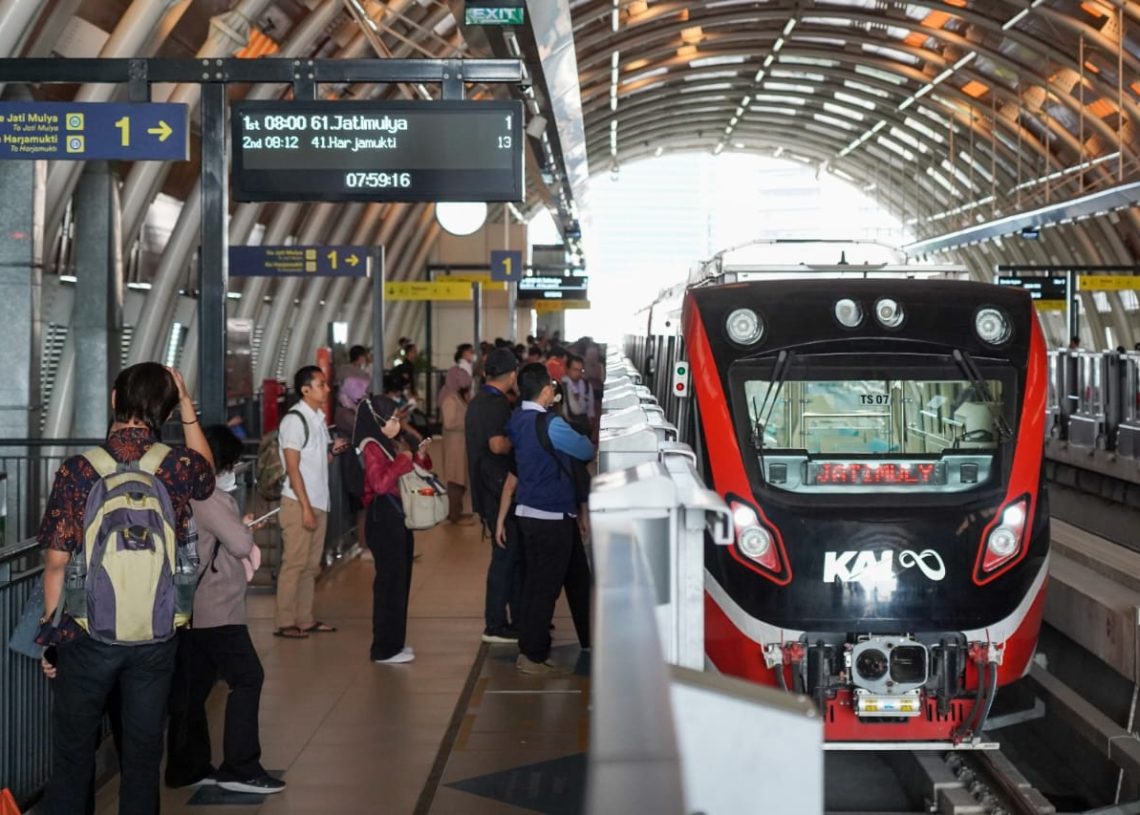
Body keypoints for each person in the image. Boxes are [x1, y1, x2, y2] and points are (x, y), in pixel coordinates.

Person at [37, 363, 215, 815]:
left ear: (115, 399)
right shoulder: (176, 467)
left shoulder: (79, 470)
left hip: (85, 634)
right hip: (156, 633)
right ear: (167, 411)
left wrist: (51, 638)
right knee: (141, 759)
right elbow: (208, 475)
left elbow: (56, 563)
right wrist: (188, 406)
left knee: (73, 757)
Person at [166, 425, 284, 795]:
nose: (232, 471)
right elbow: (238, 543)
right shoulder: (207, 495)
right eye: (230, 464)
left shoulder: (180, 491)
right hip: (215, 608)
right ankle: (241, 767)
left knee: (192, 690)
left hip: (189, 609)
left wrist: (237, 526)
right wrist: (243, 529)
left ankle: (186, 766)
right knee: (248, 677)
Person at [496, 363, 595, 675]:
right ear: (545, 391)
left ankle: (586, 638)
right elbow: (585, 450)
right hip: (551, 516)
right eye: (552, 386)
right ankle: (532, 655)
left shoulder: (518, 419)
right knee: (543, 589)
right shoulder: (551, 424)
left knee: (561, 580)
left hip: (531, 513)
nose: (555, 390)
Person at [354, 395, 433, 663]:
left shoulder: (387, 443)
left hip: (397, 516)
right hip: (383, 518)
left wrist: (418, 456)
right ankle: (384, 648)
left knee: (400, 580)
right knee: (389, 583)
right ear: (377, 420)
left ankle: (395, 642)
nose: (396, 423)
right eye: (391, 419)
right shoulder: (371, 446)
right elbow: (379, 483)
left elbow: (407, 472)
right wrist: (404, 459)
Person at [274, 366, 348, 639]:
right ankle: (285, 621)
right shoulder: (294, 421)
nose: (327, 389)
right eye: (321, 384)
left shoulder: (317, 419)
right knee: (294, 563)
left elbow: (315, 461)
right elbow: (293, 468)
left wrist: (332, 452)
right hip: (298, 503)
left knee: (310, 566)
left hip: (317, 501)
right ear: (305, 390)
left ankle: (304, 618)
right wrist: (305, 508)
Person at [466, 348, 523, 644]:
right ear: (512, 374)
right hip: (497, 490)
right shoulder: (496, 404)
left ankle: (513, 618)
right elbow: (498, 445)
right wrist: (523, 436)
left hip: (486, 487)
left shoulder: (479, 401)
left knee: (508, 555)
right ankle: (495, 624)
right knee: (504, 557)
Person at [439, 362, 476, 525]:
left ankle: (457, 512)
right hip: (454, 446)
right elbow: (449, 423)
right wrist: (467, 423)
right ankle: (454, 515)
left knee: (459, 479)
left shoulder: (455, 397)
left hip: (459, 445)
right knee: (455, 480)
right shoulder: (450, 399)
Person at [561, 353, 596, 437]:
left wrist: (591, 424)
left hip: (584, 425)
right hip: (569, 426)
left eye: (581, 370)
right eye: (575, 370)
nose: (578, 373)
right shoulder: (562, 386)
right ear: (567, 369)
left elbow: (591, 408)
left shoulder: (587, 385)